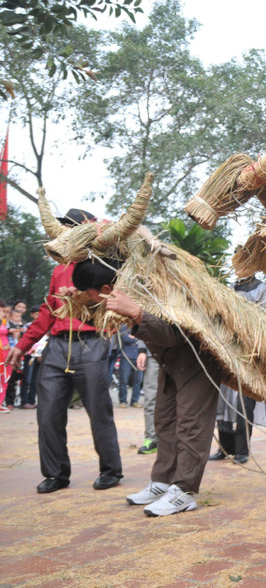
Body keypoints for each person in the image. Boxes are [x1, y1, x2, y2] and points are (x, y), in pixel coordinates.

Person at [68, 257, 224, 516]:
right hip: (170, 362)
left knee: (191, 424)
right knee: (164, 420)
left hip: (196, 358)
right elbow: (105, 321)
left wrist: (137, 313)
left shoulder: (157, 287)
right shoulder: (125, 291)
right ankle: (163, 481)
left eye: (91, 295)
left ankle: (184, 491)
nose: (91, 299)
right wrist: (77, 302)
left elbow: (173, 335)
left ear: (106, 289)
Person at [4, 208, 123, 493]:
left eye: (71, 226)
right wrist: (23, 345)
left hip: (92, 341)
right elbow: (47, 310)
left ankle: (111, 470)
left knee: (98, 410)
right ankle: (55, 474)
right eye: (64, 227)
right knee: (47, 413)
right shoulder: (59, 268)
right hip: (57, 345)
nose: (65, 231)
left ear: (86, 229)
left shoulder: (104, 264)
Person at [209, 276, 266, 465]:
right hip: (229, 353)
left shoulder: (263, 290)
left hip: (250, 355)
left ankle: (242, 449)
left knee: (243, 404)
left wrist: (245, 323)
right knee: (223, 403)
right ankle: (225, 448)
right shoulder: (229, 288)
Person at [135, 341, 159, 454]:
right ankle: (152, 439)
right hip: (153, 353)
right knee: (150, 398)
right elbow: (141, 329)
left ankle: (178, 439)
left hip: (178, 354)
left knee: (181, 398)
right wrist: (142, 350)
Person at [113, 324, 142, 408]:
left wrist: (133, 337)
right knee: (124, 380)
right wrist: (137, 337)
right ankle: (122, 400)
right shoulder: (123, 326)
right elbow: (126, 339)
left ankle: (135, 401)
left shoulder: (140, 326)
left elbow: (143, 338)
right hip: (126, 356)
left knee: (138, 380)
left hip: (138, 356)